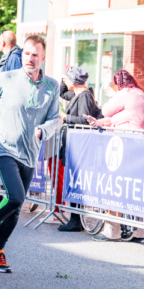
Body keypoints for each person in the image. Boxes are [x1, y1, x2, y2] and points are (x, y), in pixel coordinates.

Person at [0, 35, 59, 273]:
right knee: (17, 196)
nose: (30, 58)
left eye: (35, 55)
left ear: (43, 58)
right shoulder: (6, 78)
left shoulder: (52, 86)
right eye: (26, 53)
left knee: (15, 207)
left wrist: (44, 130)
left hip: (30, 153)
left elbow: (54, 119)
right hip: (4, 147)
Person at [86, 70, 144, 242]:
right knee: (135, 189)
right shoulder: (141, 95)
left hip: (125, 145)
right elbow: (121, 118)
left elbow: (107, 111)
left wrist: (115, 97)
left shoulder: (125, 93)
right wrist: (100, 123)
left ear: (118, 85)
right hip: (142, 146)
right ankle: (140, 231)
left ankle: (112, 230)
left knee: (115, 186)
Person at [56, 67, 101, 232]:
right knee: (73, 181)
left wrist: (65, 117)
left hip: (79, 146)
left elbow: (85, 120)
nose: (65, 82)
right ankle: (75, 219)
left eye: (67, 79)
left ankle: (76, 221)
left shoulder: (85, 96)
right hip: (73, 145)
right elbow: (61, 93)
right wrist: (64, 76)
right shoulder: (76, 93)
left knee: (75, 182)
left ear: (74, 81)